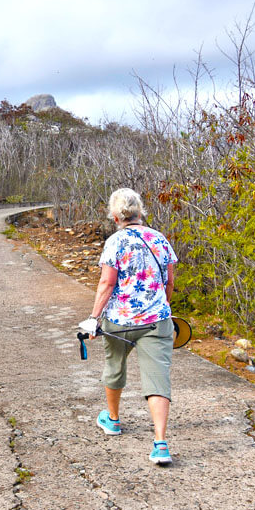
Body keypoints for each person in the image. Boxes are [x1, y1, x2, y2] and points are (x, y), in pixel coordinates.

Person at [78, 188, 178, 465]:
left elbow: (107, 283)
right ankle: (160, 443)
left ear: (114, 215)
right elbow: (169, 282)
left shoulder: (115, 241)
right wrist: (161, 307)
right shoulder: (159, 238)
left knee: (114, 366)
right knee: (157, 378)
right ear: (140, 212)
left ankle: (112, 420)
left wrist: (93, 318)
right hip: (155, 321)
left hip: (118, 322)